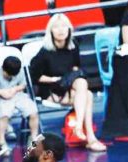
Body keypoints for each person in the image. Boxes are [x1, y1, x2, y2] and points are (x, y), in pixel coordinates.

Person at [30, 14, 107, 152]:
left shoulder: (74, 46)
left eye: (64, 26)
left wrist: (72, 80)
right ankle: (90, 138)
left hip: (70, 86)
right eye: (56, 27)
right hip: (52, 89)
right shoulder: (44, 52)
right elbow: (34, 76)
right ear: (51, 31)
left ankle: (81, 130)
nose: (61, 30)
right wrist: (55, 79)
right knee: (87, 94)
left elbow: (76, 67)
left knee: (84, 88)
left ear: (69, 29)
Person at [0, 56, 39, 155]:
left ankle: (34, 138)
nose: (10, 76)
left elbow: (23, 85)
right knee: (4, 114)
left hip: (17, 94)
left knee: (33, 111)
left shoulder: (20, 71)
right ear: (3, 68)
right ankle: (2, 142)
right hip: (0, 97)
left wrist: (15, 89)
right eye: (7, 74)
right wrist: (1, 92)